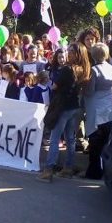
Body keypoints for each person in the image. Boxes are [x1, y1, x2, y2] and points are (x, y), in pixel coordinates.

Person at [37, 52, 80, 182]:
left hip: (63, 107)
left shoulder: (67, 69)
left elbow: (55, 86)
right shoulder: (80, 68)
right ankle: (68, 168)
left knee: (55, 138)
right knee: (70, 138)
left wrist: (51, 83)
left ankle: (48, 170)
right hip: (74, 106)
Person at [83, 43, 112, 180]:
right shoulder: (110, 67)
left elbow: (90, 91)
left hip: (97, 108)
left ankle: (94, 172)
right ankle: (105, 170)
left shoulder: (94, 70)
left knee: (95, 144)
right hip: (109, 105)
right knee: (105, 141)